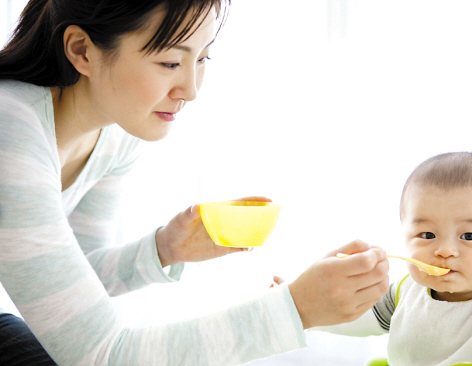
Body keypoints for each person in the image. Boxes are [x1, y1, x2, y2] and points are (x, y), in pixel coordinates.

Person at [0, 0, 390, 365]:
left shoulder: (116, 135)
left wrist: (163, 249)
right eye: (170, 62)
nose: (191, 89)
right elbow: (102, 353)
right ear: (82, 50)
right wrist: (297, 308)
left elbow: (76, 283)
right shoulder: (11, 131)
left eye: (202, 57)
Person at [314, 152, 472, 365]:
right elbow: (350, 314)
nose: (445, 250)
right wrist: (304, 304)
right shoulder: (406, 291)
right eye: (427, 235)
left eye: (469, 236)